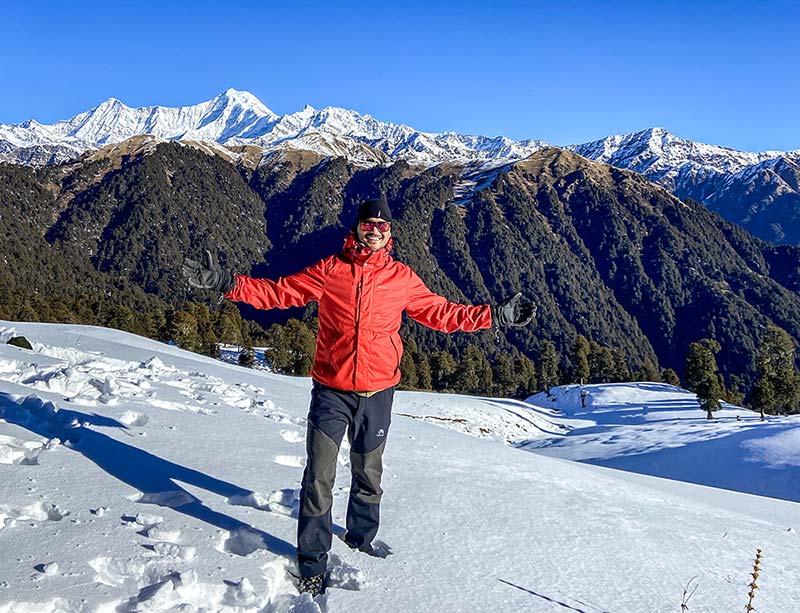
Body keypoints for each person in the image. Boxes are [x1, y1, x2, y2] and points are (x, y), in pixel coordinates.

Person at [181, 197, 535, 596]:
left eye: (382, 227)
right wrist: (226, 284)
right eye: (369, 225)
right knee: (318, 478)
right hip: (332, 391)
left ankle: (361, 541)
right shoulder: (331, 271)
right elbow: (280, 292)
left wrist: (496, 316)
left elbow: (443, 313)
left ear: (390, 234)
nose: (375, 232)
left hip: (379, 392)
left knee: (369, 476)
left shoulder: (402, 279)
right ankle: (312, 563)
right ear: (357, 228)